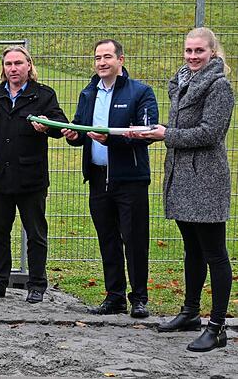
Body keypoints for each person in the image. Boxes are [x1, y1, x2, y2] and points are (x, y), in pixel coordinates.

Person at [132, 27, 233, 352]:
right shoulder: (183, 82)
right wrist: (154, 133)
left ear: (213, 53)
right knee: (192, 249)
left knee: (214, 253)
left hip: (206, 180)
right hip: (182, 177)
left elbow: (210, 133)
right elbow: (178, 130)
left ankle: (217, 327)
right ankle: (190, 312)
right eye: (188, 51)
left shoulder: (219, 87)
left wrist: (165, 135)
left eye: (199, 51)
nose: (192, 56)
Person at [61, 39, 158, 319]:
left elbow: (147, 132)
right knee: (108, 239)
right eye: (97, 58)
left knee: (134, 239)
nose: (102, 63)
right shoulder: (88, 93)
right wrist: (73, 135)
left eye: (107, 57)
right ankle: (114, 297)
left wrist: (111, 139)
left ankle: (139, 298)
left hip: (130, 179)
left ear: (121, 60)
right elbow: (82, 131)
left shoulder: (140, 91)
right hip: (98, 178)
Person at [0, 45, 67, 304]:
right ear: (3, 68)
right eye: (8, 64)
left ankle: (36, 285)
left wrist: (47, 126)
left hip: (30, 178)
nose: (13, 69)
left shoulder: (43, 95)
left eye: (18, 63)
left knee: (35, 234)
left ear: (29, 66)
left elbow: (61, 126)